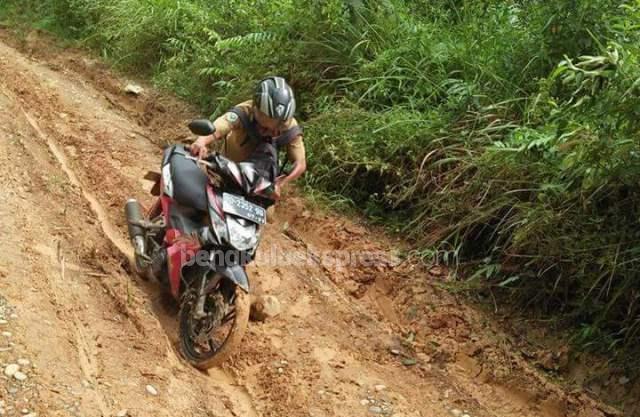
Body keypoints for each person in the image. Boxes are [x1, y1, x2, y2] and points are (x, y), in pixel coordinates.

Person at [190, 76, 307, 199]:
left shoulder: (290, 127)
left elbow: (300, 163)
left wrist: (281, 183)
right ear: (256, 109)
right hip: (226, 171)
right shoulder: (243, 111)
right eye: (264, 127)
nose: (268, 132)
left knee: (267, 215)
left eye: (275, 129)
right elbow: (221, 125)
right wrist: (202, 141)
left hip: (260, 185)